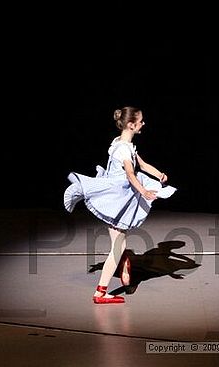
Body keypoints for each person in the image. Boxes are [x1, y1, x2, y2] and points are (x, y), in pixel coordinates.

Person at [64, 106, 177, 304]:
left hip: (118, 196)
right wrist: (144, 192)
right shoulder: (123, 148)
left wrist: (159, 175)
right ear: (132, 125)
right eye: (141, 121)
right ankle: (101, 292)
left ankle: (123, 263)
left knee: (119, 243)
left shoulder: (122, 143)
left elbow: (141, 165)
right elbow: (131, 174)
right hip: (116, 199)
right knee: (117, 246)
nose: (143, 123)